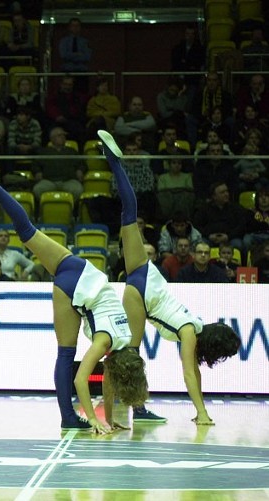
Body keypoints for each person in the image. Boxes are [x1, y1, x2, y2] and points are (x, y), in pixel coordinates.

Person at [0, 159, 148, 433]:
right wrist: (94, 419)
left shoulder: (128, 340)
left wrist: (109, 418)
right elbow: (81, 379)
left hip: (83, 270)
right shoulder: (104, 341)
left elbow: (108, 383)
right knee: (65, 353)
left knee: (27, 232)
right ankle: (68, 417)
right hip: (73, 291)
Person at [98, 130, 241, 426]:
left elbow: (195, 372)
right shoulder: (189, 333)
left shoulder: (193, 326)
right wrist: (201, 413)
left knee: (130, 213)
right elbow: (189, 372)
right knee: (127, 358)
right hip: (141, 294)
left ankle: (113, 161)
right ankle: (125, 410)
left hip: (145, 276)